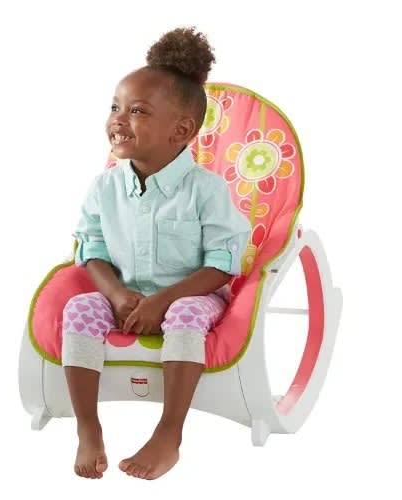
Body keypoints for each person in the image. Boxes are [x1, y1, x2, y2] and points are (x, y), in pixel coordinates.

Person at [62, 27, 251, 480]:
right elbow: (91, 249)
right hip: (124, 295)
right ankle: (87, 428)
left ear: (181, 130)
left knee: (184, 314)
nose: (118, 120)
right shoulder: (104, 187)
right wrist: (116, 295)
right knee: (78, 308)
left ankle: (169, 432)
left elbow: (222, 264)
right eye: (115, 107)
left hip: (192, 296)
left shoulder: (206, 190)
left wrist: (162, 301)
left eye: (137, 111)